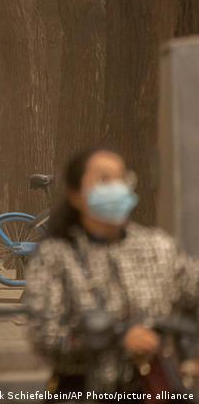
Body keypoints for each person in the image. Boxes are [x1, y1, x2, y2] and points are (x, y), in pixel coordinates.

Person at [24, 148, 199, 395]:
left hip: (155, 391)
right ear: (75, 195)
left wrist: (192, 354)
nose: (115, 188)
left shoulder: (159, 247)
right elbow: (45, 336)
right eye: (104, 180)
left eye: (121, 179)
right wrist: (118, 339)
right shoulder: (56, 256)